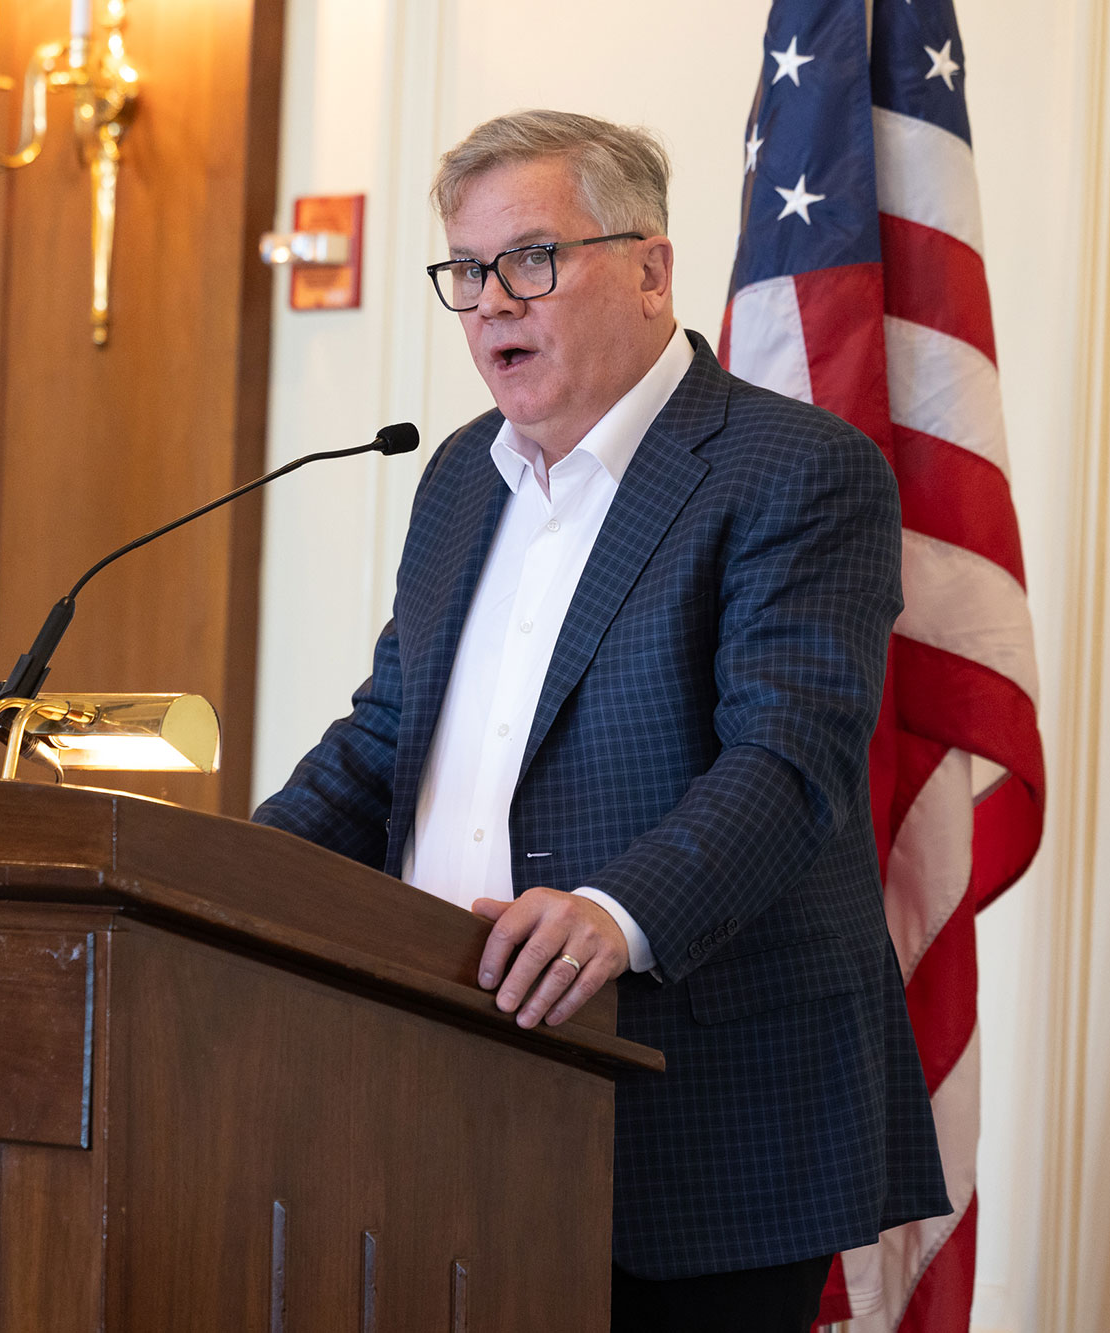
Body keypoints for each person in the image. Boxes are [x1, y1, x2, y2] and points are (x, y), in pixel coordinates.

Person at [252, 109, 947, 1331]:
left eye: (530, 259)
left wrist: (612, 916)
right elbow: (386, 738)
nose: (489, 304)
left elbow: (790, 759)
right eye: (465, 272)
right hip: (439, 1088)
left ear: (647, 267)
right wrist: (231, 878)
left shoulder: (793, 469)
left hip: (696, 1111)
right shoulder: (462, 475)